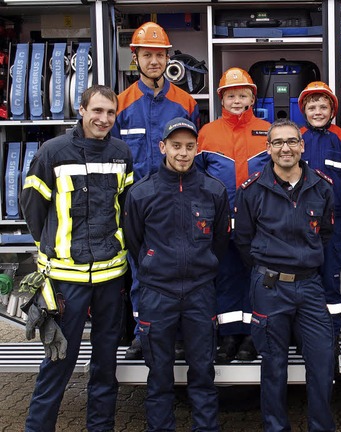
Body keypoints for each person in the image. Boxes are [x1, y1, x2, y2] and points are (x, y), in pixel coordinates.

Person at [21, 84, 134, 432]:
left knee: (104, 364)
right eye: (97, 110)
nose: (103, 118)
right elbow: (33, 209)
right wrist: (54, 248)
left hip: (110, 278)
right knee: (58, 362)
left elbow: (127, 211)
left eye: (110, 112)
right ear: (81, 110)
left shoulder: (121, 153)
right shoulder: (52, 152)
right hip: (66, 281)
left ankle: (100, 427)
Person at [124, 117, 230, 431]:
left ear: (198, 149)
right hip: (157, 294)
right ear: (163, 147)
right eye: (175, 146)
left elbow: (220, 242)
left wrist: (202, 264)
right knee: (158, 376)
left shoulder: (213, 190)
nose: (182, 153)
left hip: (200, 293)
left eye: (189, 146)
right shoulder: (141, 193)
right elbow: (135, 242)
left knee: (202, 374)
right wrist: (158, 265)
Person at [234, 118, 335, 432]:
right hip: (269, 286)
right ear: (267, 148)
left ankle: (320, 426)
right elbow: (243, 240)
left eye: (292, 141)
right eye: (277, 142)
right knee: (274, 365)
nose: (285, 148)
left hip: (310, 287)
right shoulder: (251, 191)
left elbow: (327, 234)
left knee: (321, 363)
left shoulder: (322, 186)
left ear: (302, 145)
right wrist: (268, 267)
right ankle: (276, 427)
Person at [112, 21, 200, 360]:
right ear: (135, 58)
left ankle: (177, 334)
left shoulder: (185, 103)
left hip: (178, 200)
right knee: (140, 270)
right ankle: (142, 333)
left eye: (159, 55)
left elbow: (195, 153)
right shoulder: (121, 104)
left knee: (180, 269)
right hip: (136, 204)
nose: (153, 61)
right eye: (146, 55)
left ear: (167, 58)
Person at [197, 67, 271, 363]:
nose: (237, 101)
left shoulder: (267, 131)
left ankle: (253, 337)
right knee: (226, 278)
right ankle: (229, 337)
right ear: (222, 99)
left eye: (242, 95)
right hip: (221, 223)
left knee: (257, 279)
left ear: (252, 97)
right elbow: (198, 181)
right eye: (231, 96)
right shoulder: (207, 133)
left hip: (260, 224)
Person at [299, 81, 341, 347]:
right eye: (312, 107)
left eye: (323, 106)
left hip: (333, 219)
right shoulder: (297, 139)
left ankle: (332, 333)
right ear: (304, 111)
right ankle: (306, 333)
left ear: (332, 110)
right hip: (300, 221)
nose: (317, 111)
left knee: (331, 274)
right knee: (305, 277)